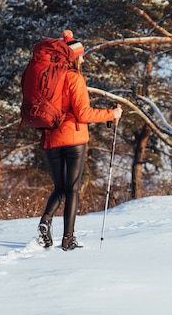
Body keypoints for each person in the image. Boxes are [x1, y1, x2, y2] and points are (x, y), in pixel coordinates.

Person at [38, 30, 123, 251]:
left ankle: (46, 221)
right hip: (73, 138)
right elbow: (84, 114)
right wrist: (110, 114)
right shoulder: (74, 78)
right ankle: (68, 239)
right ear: (73, 57)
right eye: (81, 55)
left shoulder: (48, 77)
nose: (83, 59)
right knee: (72, 189)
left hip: (51, 137)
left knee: (60, 187)